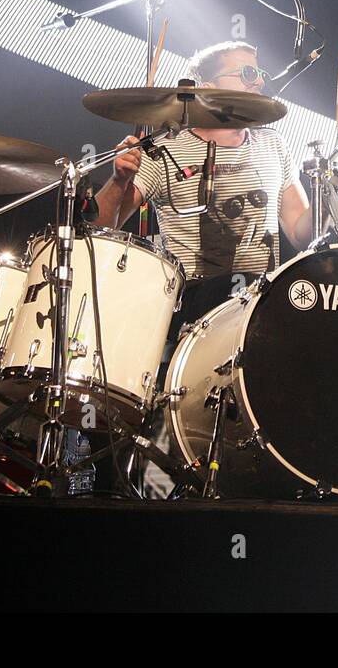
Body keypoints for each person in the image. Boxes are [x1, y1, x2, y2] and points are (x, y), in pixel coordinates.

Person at [93, 40, 311, 497]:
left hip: (264, 303)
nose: (258, 82)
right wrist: (119, 180)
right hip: (197, 304)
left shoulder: (274, 143)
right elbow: (102, 226)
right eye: (246, 74)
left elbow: (300, 227)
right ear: (208, 88)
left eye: (259, 73)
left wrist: (336, 194)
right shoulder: (166, 150)